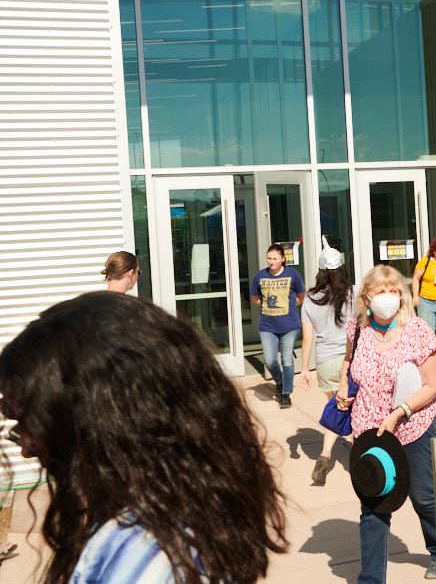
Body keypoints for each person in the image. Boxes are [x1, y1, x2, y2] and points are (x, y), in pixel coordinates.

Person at [0, 292, 287, 583]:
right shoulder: (191, 507)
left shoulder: (136, 561)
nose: (25, 448)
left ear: (101, 423)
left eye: (28, 422)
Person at [336, 264, 436, 582]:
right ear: (366, 298)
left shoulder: (417, 330)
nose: (387, 297)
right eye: (380, 291)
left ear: (402, 296)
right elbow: (348, 362)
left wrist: (399, 412)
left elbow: (433, 384)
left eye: (394, 291)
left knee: (423, 496)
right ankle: (370, 579)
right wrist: (344, 389)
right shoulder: (356, 328)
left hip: (414, 424)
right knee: (373, 503)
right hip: (370, 431)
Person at [299, 239, 355, 486]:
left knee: (338, 408)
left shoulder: (310, 299)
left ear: (320, 272)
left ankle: (324, 455)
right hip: (350, 360)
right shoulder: (353, 293)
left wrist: (304, 369)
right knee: (355, 410)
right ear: (342, 269)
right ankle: (360, 458)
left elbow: (307, 338)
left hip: (324, 363)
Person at [251, 244, 307, 409]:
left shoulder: (293, 274)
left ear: (283, 259)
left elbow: (301, 295)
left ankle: (285, 393)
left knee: (287, 359)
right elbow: (255, 298)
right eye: (269, 258)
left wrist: (289, 306)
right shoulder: (260, 276)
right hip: (267, 325)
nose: (271, 262)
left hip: (290, 325)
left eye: (275, 259)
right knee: (269, 361)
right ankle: (280, 380)